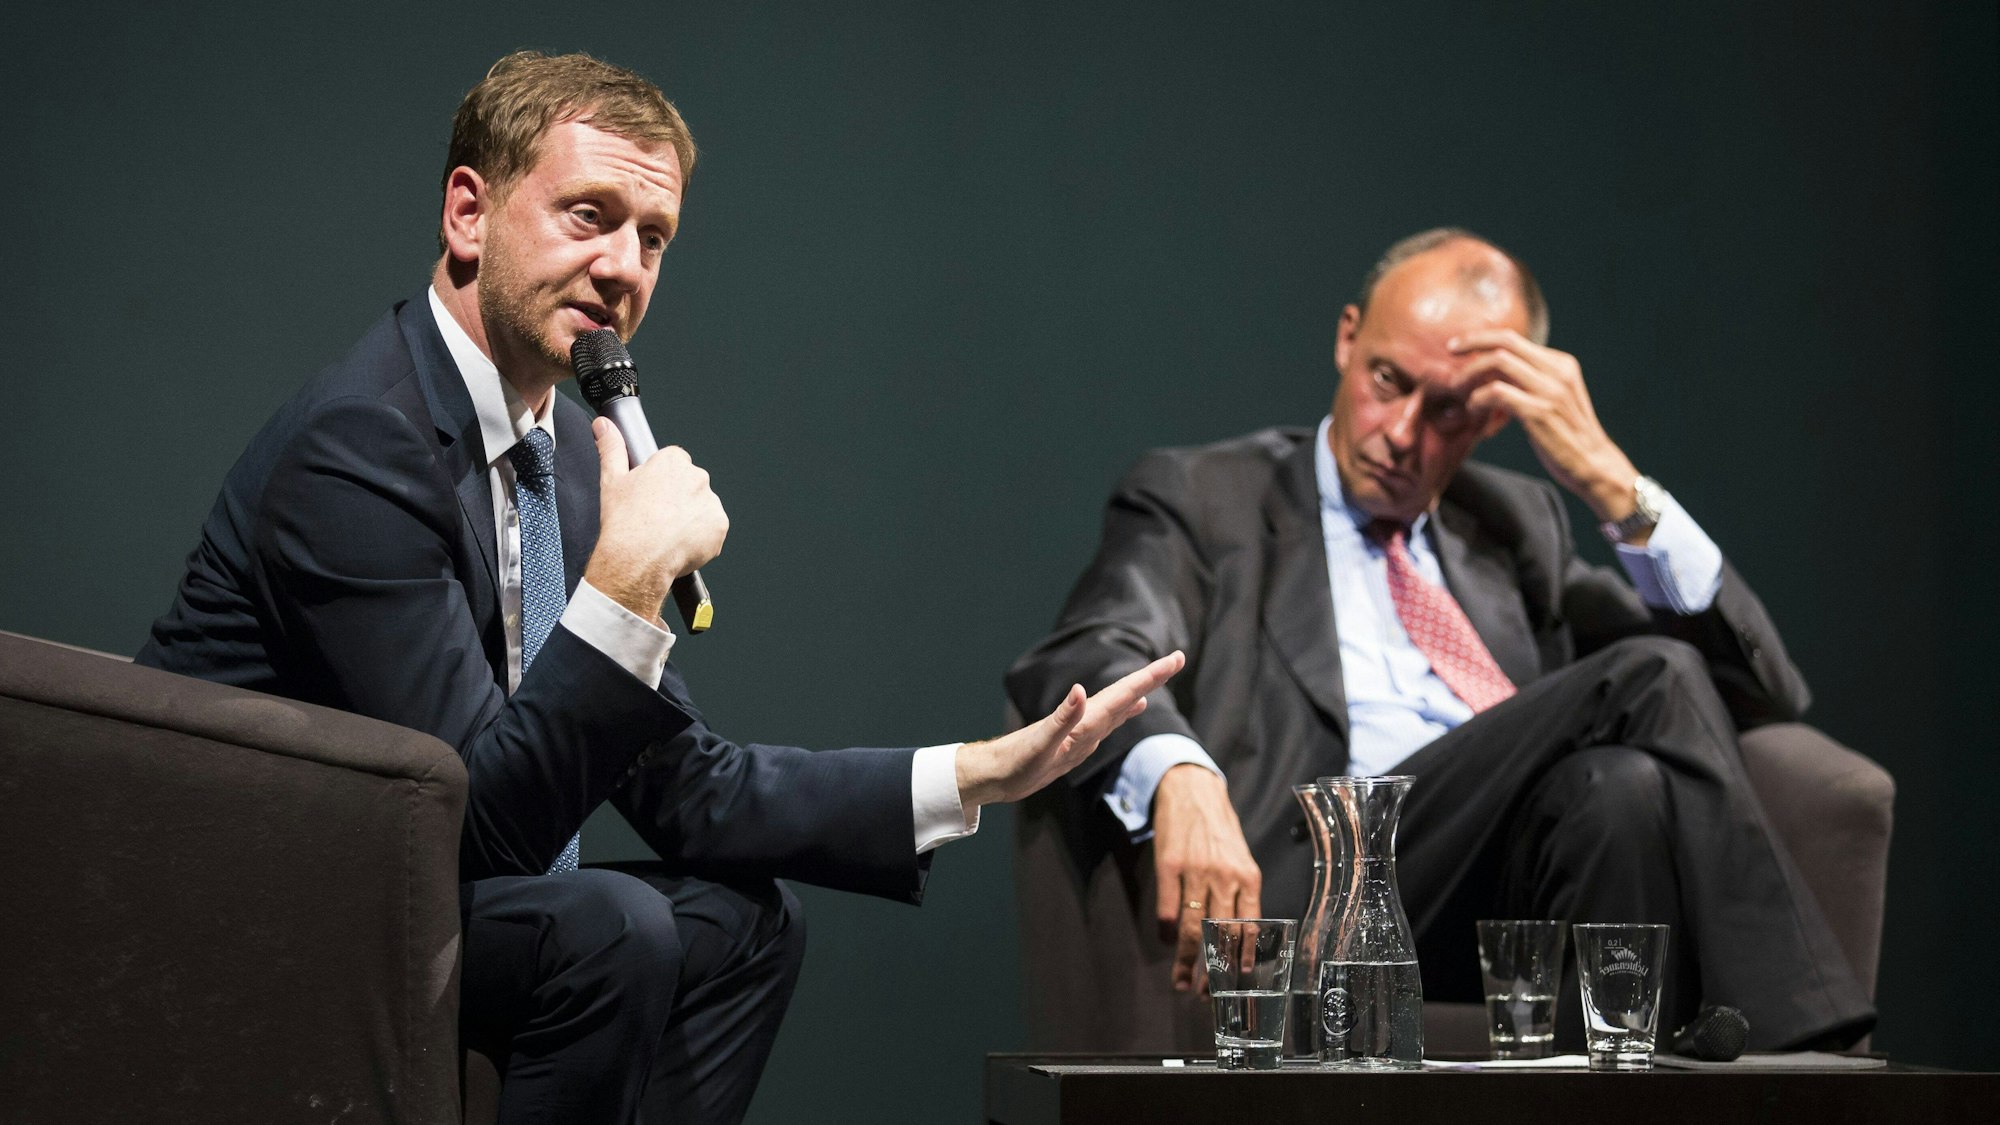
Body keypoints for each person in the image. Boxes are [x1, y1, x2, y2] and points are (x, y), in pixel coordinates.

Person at [136, 51, 1181, 1124]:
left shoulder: (569, 461)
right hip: (251, 914)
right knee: (603, 927)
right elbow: (479, 829)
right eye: (589, 216)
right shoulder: (363, 441)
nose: (623, 266)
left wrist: (975, 774)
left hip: (404, 887)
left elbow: (691, 788)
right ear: (468, 214)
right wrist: (625, 582)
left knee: (746, 923)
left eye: (651, 238)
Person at [1004, 227, 1875, 1054]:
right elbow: (1092, 647)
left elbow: (1758, 695)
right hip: (1325, 884)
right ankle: (1798, 1039)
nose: (1403, 433)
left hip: (1495, 902)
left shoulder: (1511, 527)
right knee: (1649, 672)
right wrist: (1181, 774)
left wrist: (1613, 483)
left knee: (1622, 787)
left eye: (1450, 409)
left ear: (1495, 417)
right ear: (1348, 340)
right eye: (1388, 379)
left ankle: (1618, 1082)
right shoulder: (1204, 497)